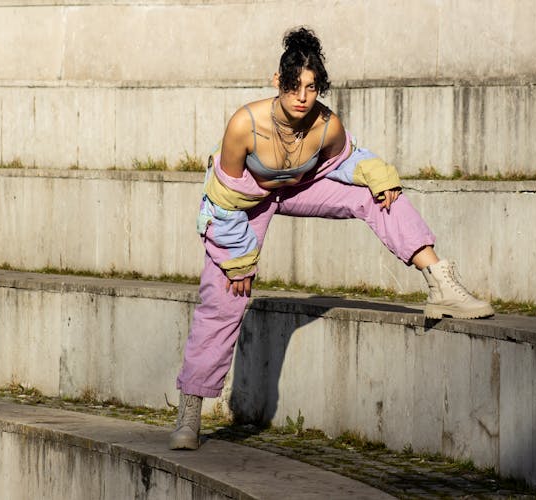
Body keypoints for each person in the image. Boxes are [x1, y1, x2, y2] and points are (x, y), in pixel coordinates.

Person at [169, 27, 494, 450]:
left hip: (300, 187)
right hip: (243, 202)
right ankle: (190, 410)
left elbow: (346, 161)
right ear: (277, 82)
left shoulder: (326, 124)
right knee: (223, 298)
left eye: (311, 87)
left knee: (377, 193)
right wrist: (238, 258)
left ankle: (440, 280)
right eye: (293, 86)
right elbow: (221, 198)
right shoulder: (244, 124)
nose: (302, 96)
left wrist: (375, 173)